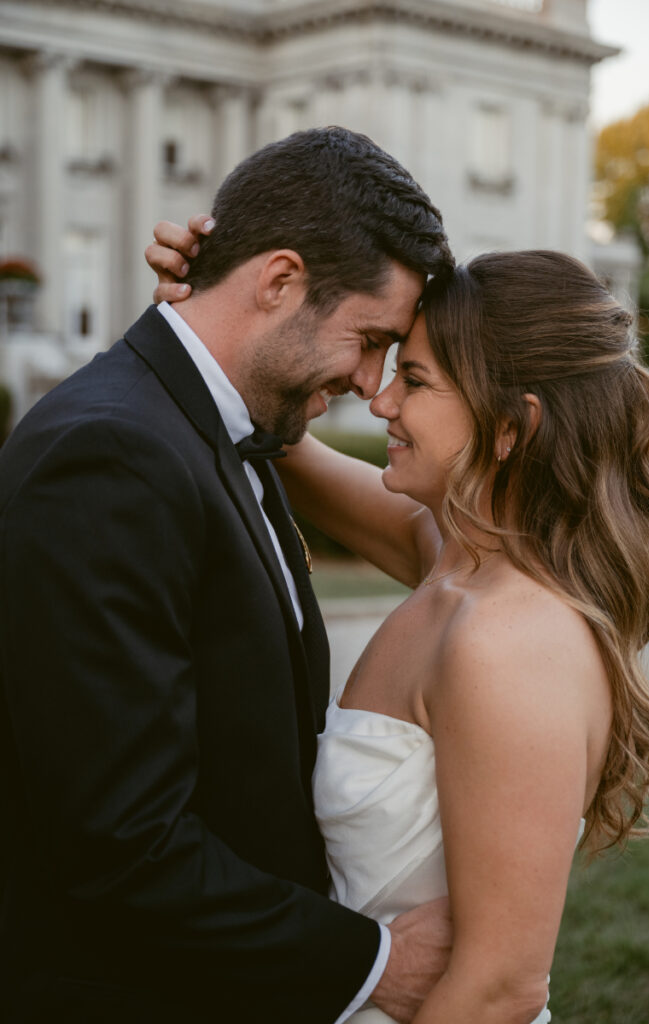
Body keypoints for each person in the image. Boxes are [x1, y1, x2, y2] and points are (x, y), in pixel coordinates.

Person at [152, 234, 649, 1022]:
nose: (383, 400)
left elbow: (500, 989)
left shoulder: (503, 645)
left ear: (510, 427)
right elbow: (289, 452)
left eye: (417, 381)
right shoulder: (450, 557)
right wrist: (214, 315)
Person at [0, 127, 456, 1024]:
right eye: (370, 340)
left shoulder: (214, 429)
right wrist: (368, 964)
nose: (373, 384)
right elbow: (122, 838)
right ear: (279, 279)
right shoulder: (110, 455)